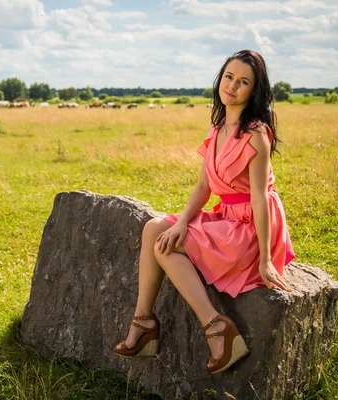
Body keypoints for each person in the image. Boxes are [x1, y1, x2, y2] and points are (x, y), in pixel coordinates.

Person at [113, 50, 295, 374]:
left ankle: (215, 325)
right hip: (227, 216)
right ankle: (143, 322)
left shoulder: (256, 135)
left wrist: (266, 258)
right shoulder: (219, 128)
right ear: (220, 78)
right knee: (155, 229)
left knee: (164, 246)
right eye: (229, 77)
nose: (233, 86)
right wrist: (183, 222)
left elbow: (259, 198)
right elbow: (203, 187)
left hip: (250, 227)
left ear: (254, 91)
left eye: (243, 82)